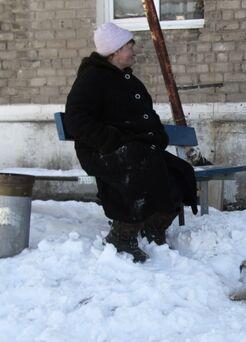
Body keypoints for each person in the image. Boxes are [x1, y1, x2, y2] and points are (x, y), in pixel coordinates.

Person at [64, 22, 197, 263]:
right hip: (101, 150)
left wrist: (158, 135)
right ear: (114, 51)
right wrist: (112, 141)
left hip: (135, 148)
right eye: (129, 46)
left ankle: (153, 226)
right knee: (139, 164)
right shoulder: (92, 78)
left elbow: (148, 117)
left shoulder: (130, 81)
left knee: (179, 170)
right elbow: (77, 119)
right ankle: (122, 236)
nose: (134, 51)